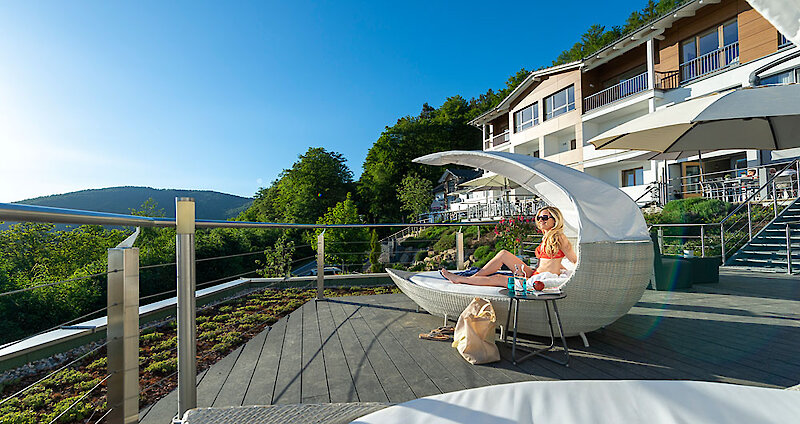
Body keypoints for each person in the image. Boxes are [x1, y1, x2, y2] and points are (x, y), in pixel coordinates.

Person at [440, 206, 577, 286]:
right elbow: (553, 261)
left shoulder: (559, 237)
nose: (541, 220)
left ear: (555, 220)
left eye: (545, 218)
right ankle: (474, 277)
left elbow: (574, 260)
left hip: (541, 278)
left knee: (499, 279)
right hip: (535, 273)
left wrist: (568, 274)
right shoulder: (546, 236)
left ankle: (460, 279)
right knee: (504, 254)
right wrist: (559, 267)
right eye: (539, 217)